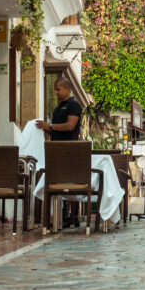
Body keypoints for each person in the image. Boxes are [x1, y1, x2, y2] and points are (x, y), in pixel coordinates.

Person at [36, 77, 82, 227]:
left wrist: (50, 125)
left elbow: (70, 126)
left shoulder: (74, 105)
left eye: (58, 89)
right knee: (59, 182)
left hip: (70, 150)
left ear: (67, 88)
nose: (56, 92)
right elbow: (55, 131)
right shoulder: (57, 109)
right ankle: (62, 215)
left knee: (70, 182)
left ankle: (73, 216)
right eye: (55, 89)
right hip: (56, 151)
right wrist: (46, 128)